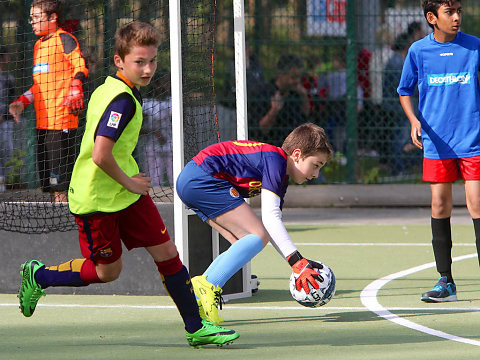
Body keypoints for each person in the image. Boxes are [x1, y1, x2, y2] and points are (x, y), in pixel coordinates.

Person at [17, 21, 239, 348]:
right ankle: (39, 276)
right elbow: (100, 154)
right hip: (97, 199)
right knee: (108, 272)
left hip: (126, 193)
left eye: (152, 61)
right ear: (120, 61)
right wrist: (131, 183)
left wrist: (130, 186)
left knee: (167, 253)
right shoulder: (120, 100)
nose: (148, 69)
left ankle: (196, 327)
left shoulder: (114, 87)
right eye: (140, 62)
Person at [176, 122, 334, 324]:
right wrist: (297, 262)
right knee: (257, 235)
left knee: (243, 241)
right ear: (297, 155)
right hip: (202, 177)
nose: (316, 175)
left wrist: (295, 263)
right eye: (316, 165)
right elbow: (269, 218)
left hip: (194, 179)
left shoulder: (280, 174)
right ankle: (207, 284)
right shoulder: (275, 159)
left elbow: (272, 225)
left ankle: (199, 300)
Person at [398, 0, 479, 302]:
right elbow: (405, 91)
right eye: (450, 12)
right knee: (439, 207)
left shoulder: (474, 46)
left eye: (459, 11)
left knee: (477, 205)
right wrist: (413, 120)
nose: (457, 17)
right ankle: (446, 282)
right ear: (432, 18)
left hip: (473, 140)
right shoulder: (418, 51)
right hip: (437, 142)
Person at [9, 0, 88, 202]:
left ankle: (69, 228)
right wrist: (21, 102)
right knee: (50, 185)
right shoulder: (37, 46)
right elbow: (39, 86)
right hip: (42, 124)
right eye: (31, 18)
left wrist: (76, 85)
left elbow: (80, 66)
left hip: (61, 122)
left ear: (52, 18)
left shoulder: (65, 39)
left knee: (61, 185)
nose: (32, 22)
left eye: (36, 17)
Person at [249, 54, 310, 146]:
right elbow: (260, 129)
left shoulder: (296, 93)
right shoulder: (264, 93)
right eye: (293, 77)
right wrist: (274, 110)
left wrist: (304, 96)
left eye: (299, 77)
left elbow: (305, 115)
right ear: (280, 74)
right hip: (269, 146)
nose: (297, 81)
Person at [381, 32, 413, 175]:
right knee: (399, 139)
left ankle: (395, 166)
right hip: (398, 107)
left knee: (396, 137)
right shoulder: (399, 62)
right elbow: (405, 87)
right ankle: (398, 168)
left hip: (391, 105)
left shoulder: (394, 60)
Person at [138, 70, 173, 186]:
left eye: (168, 82)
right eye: (164, 82)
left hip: (171, 145)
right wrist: (154, 132)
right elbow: (138, 128)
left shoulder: (172, 101)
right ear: (156, 84)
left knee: (174, 178)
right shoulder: (146, 103)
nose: (167, 85)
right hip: (152, 147)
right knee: (155, 181)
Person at [0, 45, 16, 190]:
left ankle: (2, 183)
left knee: (6, 151)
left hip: (4, 122)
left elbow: (12, 99)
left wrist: (4, 115)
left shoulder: (8, 78)